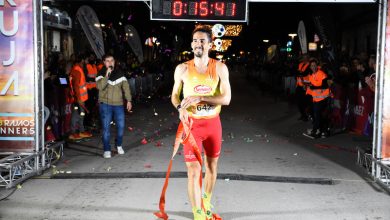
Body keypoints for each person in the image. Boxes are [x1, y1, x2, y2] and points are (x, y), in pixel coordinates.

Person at [171, 25, 231, 220]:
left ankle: (206, 200)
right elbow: (174, 96)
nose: (198, 44)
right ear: (191, 44)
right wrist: (180, 109)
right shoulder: (182, 69)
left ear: (210, 44)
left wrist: (200, 98)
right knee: (194, 171)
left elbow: (226, 99)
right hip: (192, 125)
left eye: (202, 41)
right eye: (195, 41)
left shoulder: (220, 67)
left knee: (211, 168)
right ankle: (197, 212)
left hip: (213, 124)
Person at [96, 54, 132, 159]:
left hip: (118, 104)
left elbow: (126, 87)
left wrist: (129, 100)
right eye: (107, 61)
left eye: (112, 60)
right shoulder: (100, 74)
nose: (110, 63)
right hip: (105, 104)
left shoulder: (120, 73)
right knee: (106, 128)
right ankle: (107, 149)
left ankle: (119, 145)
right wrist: (107, 75)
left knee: (121, 127)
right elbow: (100, 87)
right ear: (104, 62)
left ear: (114, 62)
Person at [303, 58, 331, 139]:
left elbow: (325, 85)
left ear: (317, 66)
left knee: (317, 114)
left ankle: (316, 131)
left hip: (323, 98)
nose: (313, 67)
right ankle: (324, 130)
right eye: (312, 66)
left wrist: (313, 87)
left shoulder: (321, 73)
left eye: (315, 65)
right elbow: (312, 86)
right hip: (315, 98)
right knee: (316, 114)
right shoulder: (311, 75)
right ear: (310, 67)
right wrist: (307, 87)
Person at [69, 54, 93, 140]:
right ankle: (73, 132)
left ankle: (81, 131)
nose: (84, 64)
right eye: (83, 62)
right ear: (80, 62)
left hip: (80, 99)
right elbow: (76, 86)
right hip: (78, 100)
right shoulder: (77, 71)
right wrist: (79, 99)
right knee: (76, 115)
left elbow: (80, 85)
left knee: (81, 114)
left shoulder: (77, 70)